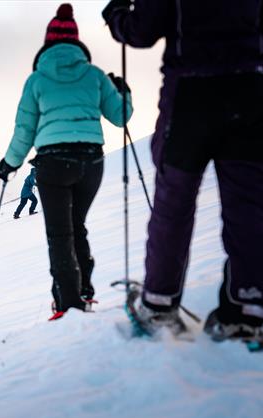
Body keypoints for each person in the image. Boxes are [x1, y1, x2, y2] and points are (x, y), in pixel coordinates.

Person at [103, 0, 263, 340]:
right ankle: (249, 306)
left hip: (189, 94)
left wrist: (116, 15)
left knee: (174, 201)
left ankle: (159, 304)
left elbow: (141, 30)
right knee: (248, 203)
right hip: (248, 89)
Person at [0, 3, 133, 320]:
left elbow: (25, 130)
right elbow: (121, 116)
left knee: (59, 233)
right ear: (76, 42)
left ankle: (68, 302)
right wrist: (123, 91)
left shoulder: (37, 80)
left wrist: (9, 163)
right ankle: (84, 290)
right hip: (90, 161)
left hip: (53, 162)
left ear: (48, 43)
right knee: (77, 225)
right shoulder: (95, 76)